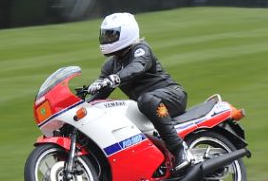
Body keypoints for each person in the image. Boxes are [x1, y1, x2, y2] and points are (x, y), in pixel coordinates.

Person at [80, 12, 193, 171]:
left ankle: (179, 149)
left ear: (126, 33)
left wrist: (114, 79)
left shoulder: (141, 50)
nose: (107, 39)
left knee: (146, 100)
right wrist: (82, 107)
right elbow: (101, 94)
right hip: (148, 106)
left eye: (112, 35)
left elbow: (137, 67)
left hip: (172, 95)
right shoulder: (110, 65)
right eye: (105, 35)